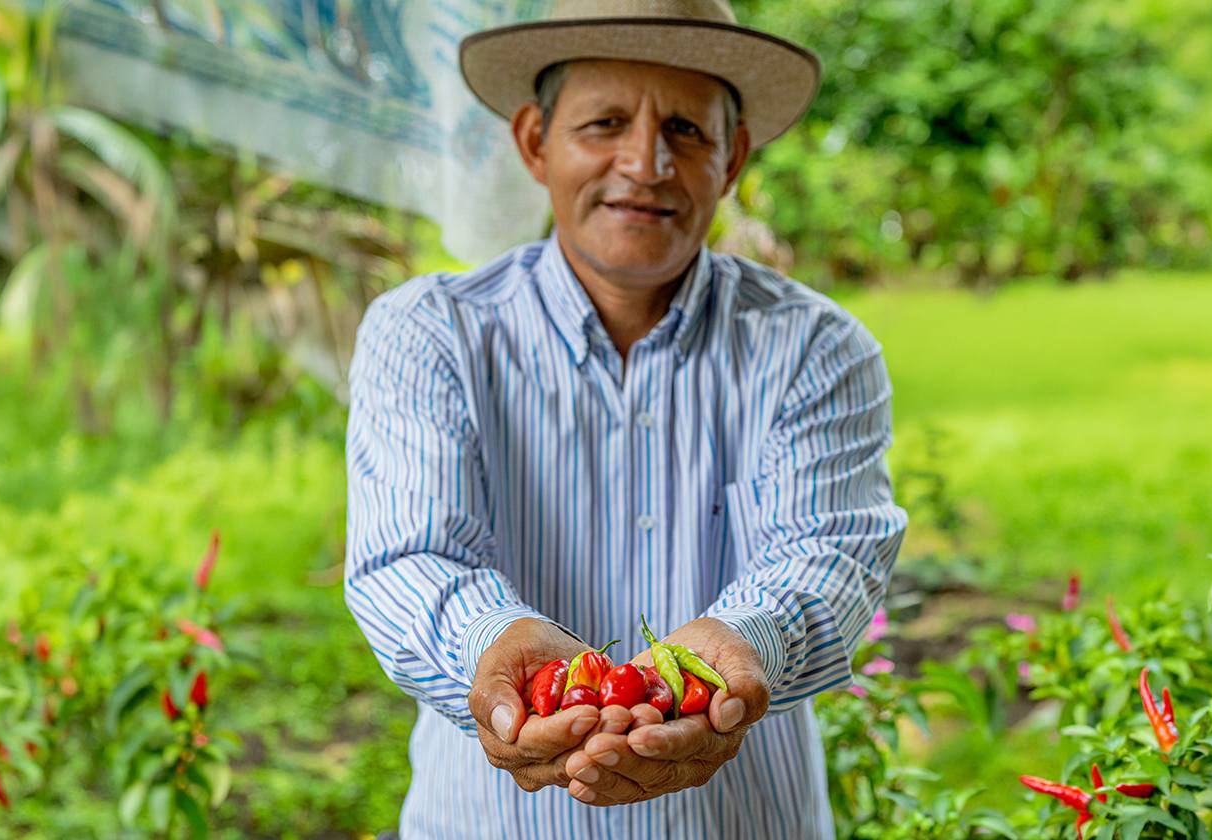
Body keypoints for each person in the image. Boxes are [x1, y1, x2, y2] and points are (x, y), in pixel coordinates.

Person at [342, 0, 908, 835]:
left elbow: (826, 550)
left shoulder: (815, 347)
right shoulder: (429, 333)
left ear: (734, 156)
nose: (645, 163)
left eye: (685, 129)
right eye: (605, 123)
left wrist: (745, 638)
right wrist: (491, 640)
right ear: (535, 141)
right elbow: (410, 553)